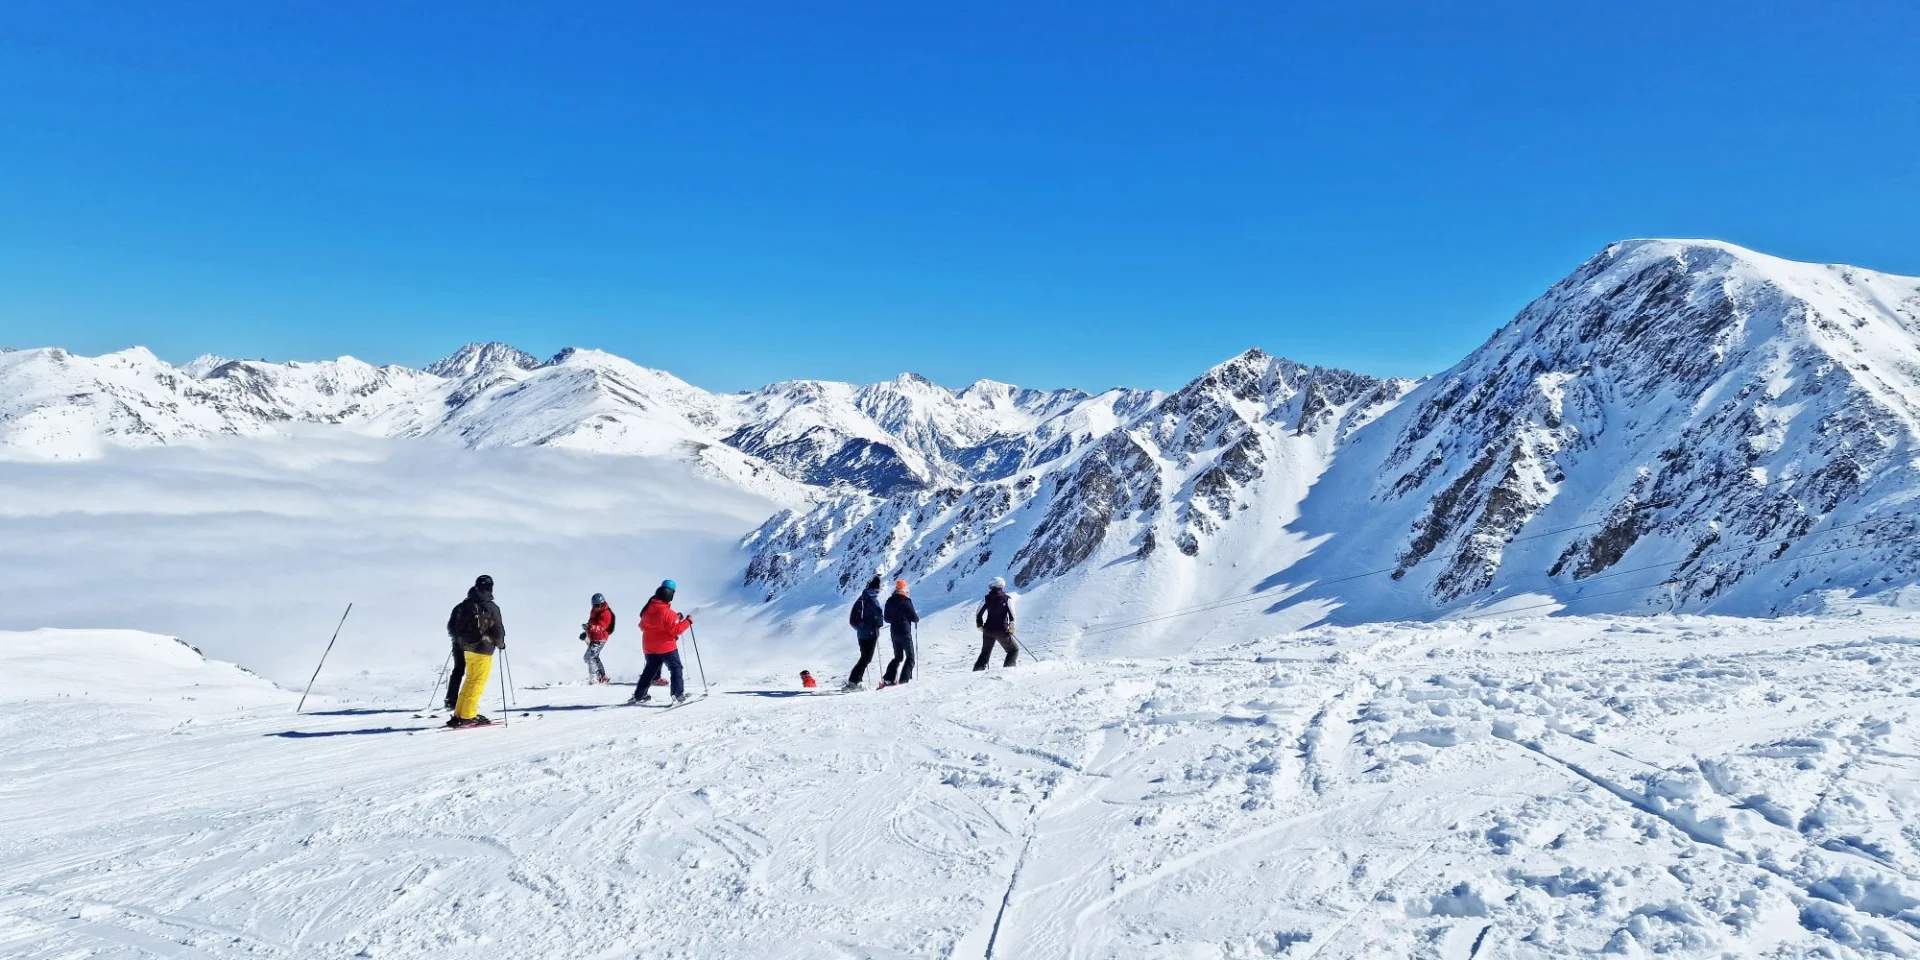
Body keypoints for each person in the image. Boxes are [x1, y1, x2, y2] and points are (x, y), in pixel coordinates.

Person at [445, 574, 506, 727]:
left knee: (470, 680)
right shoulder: (491, 607)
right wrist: (500, 644)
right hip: (483, 649)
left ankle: (460, 713)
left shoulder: (465, 604)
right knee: (477, 681)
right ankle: (468, 716)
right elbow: (497, 629)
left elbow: (454, 625)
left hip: (466, 648)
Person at [629, 580, 693, 704]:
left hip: (649, 647)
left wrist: (675, 618)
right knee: (675, 668)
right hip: (666, 647)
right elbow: (676, 630)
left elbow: (642, 626)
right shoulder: (668, 613)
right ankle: (678, 695)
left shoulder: (647, 610)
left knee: (650, 670)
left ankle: (639, 695)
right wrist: (688, 621)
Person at [845, 576, 885, 690]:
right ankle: (854, 681)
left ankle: (857, 681)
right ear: (876, 588)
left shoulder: (862, 597)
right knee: (866, 658)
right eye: (879, 588)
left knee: (864, 657)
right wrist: (879, 624)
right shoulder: (871, 598)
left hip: (861, 633)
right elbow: (878, 613)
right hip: (870, 633)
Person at [973, 576, 1017, 671]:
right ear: (1002, 585)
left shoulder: (986, 599)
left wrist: (980, 625)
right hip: (1002, 630)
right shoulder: (1007, 599)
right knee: (1013, 650)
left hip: (988, 630)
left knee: (985, 652)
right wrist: (1011, 628)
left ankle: (977, 671)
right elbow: (1012, 615)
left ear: (991, 586)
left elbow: (978, 613)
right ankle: (1008, 670)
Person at [882, 579, 919, 686]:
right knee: (910, 657)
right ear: (903, 590)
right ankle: (904, 682)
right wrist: (916, 619)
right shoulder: (906, 601)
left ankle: (888, 678)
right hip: (905, 632)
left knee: (898, 657)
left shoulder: (889, 601)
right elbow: (914, 617)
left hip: (894, 633)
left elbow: (887, 619)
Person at [580, 593, 615, 684]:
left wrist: (590, 628)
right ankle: (602, 676)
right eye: (594, 605)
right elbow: (592, 623)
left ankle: (594, 679)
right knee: (587, 658)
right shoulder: (594, 611)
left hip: (600, 638)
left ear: (602, 604)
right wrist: (586, 633)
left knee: (591, 657)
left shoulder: (606, 613)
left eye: (598, 605)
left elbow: (601, 627)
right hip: (593, 637)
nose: (596, 607)